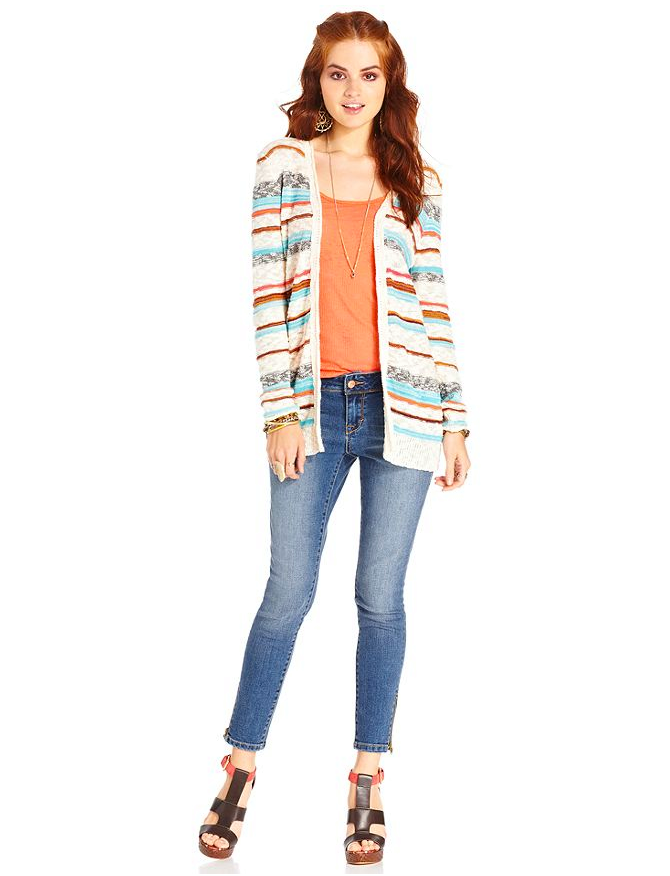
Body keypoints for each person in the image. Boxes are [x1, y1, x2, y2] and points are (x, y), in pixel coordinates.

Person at [198, 11, 471, 864]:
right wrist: (279, 411)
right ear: (317, 80)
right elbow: (267, 293)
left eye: (369, 75)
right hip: (313, 406)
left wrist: (455, 417)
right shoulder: (281, 167)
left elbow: (431, 303)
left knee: (380, 598)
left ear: (391, 84)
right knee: (287, 591)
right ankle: (241, 765)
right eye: (337, 73)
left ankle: (367, 776)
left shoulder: (416, 177)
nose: (353, 90)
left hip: (406, 408)